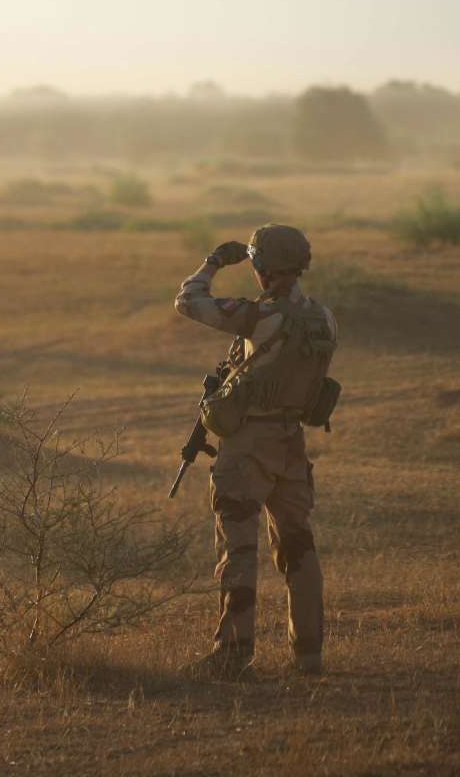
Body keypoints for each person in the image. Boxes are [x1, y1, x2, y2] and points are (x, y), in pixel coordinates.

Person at [173, 223, 338, 677]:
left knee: (239, 549)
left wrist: (212, 262)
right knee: (298, 548)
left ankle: (233, 654)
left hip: (248, 446)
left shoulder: (259, 315)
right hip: (292, 443)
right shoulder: (323, 317)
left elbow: (187, 300)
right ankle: (308, 654)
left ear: (261, 267)